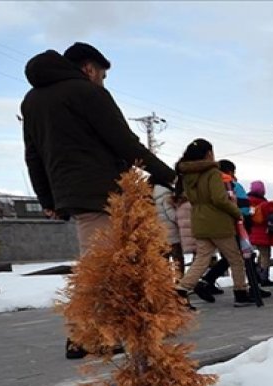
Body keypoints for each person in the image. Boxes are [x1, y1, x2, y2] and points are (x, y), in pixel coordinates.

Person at [21, 41, 176, 359]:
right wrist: (168, 176)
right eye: (102, 75)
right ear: (89, 68)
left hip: (72, 192)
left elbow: (33, 155)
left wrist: (47, 198)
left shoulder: (32, 101)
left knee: (110, 263)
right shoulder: (87, 92)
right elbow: (124, 141)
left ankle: (120, 327)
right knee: (100, 266)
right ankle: (84, 335)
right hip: (100, 191)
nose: (102, 81)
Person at [173, 139, 255, 307]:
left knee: (202, 258)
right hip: (218, 221)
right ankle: (241, 293)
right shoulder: (212, 173)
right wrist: (236, 212)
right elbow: (219, 199)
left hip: (199, 220)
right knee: (235, 258)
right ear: (208, 153)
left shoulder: (186, 175)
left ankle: (182, 288)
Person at [152, 184, 184, 276]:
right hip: (172, 235)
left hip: (160, 235)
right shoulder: (166, 197)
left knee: (163, 262)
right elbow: (172, 215)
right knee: (177, 260)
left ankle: (166, 284)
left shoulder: (152, 197)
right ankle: (180, 282)